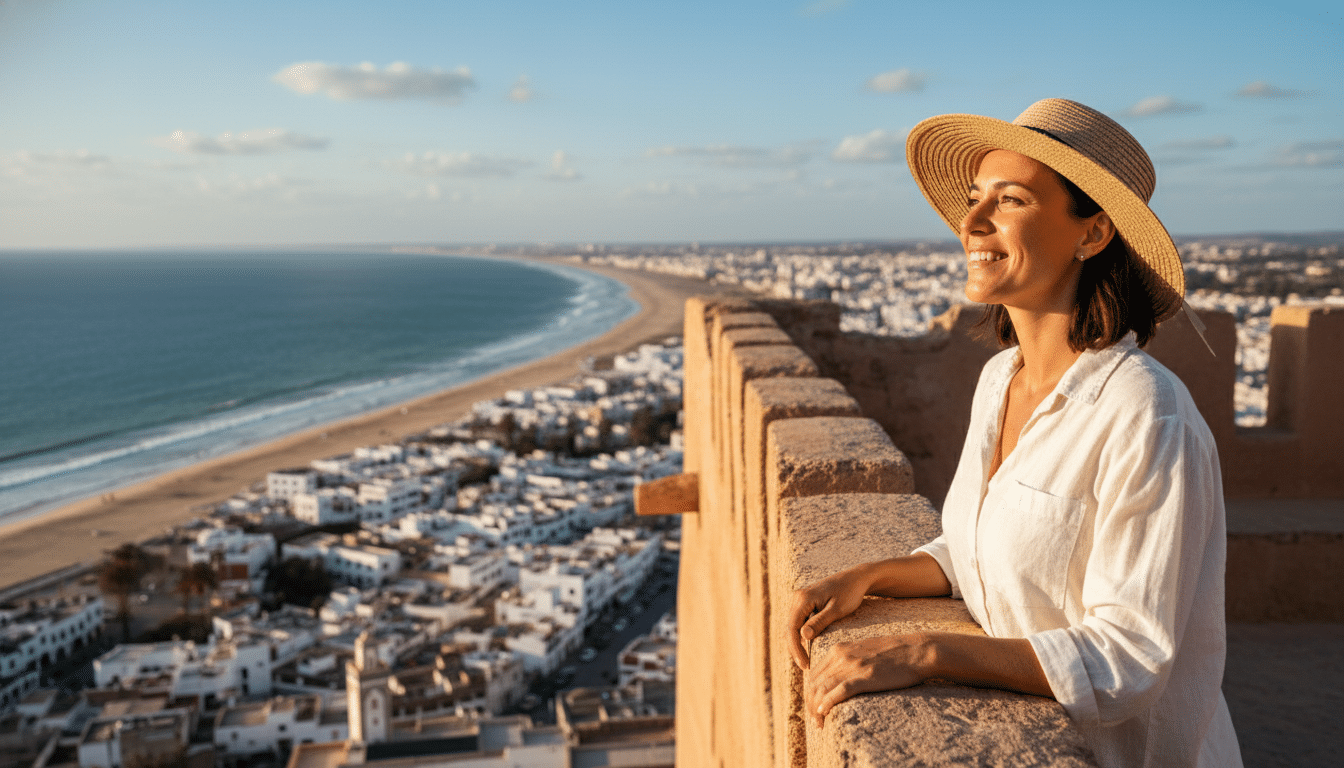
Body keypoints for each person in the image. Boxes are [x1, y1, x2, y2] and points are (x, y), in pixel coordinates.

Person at [784, 98, 1243, 767]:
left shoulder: (1145, 414)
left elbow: (1129, 654)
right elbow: (989, 553)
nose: (971, 222)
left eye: (1012, 200)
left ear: (1092, 234)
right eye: (975, 197)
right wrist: (867, 577)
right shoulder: (1001, 380)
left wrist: (925, 651)